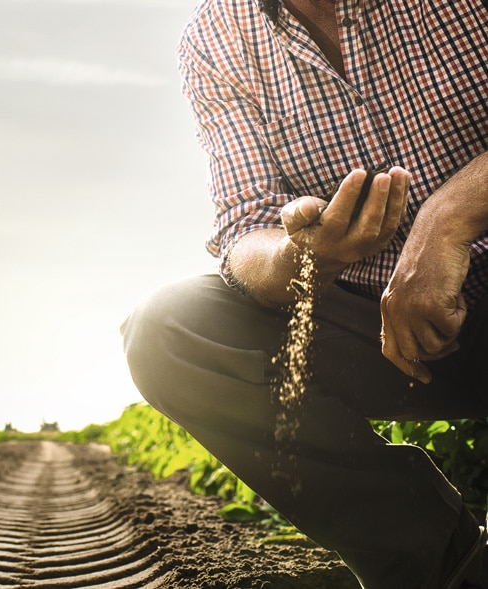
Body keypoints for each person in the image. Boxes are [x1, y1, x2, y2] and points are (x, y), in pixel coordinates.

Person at [120, 1, 488, 587]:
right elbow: (246, 225)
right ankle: (444, 566)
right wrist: (306, 256)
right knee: (174, 329)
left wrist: (448, 218)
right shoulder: (220, 34)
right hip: (384, 332)